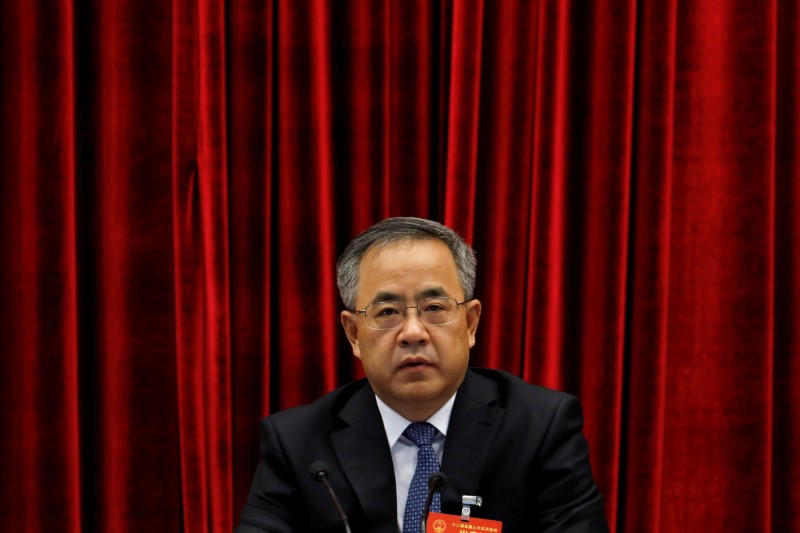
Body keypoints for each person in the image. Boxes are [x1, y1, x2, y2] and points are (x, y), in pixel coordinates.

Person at [236, 217, 608, 532]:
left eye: (433, 307)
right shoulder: (299, 443)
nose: (413, 332)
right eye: (387, 312)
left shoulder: (540, 428)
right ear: (354, 335)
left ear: (471, 323)